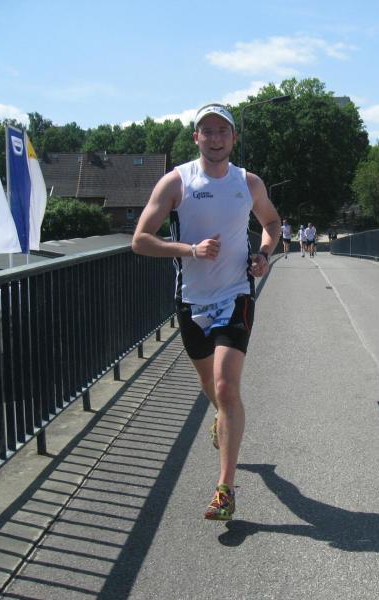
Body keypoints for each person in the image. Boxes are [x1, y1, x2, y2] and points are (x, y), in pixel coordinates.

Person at [132, 103, 281, 521]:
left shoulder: (247, 183)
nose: (215, 138)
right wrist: (190, 250)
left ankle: (225, 489)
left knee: (226, 386)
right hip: (192, 301)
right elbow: (140, 240)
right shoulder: (176, 182)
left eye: (222, 131)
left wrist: (263, 254)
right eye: (207, 131)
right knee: (211, 388)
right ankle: (223, 419)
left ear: (234, 137)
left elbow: (271, 224)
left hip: (236, 295)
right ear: (196, 137)